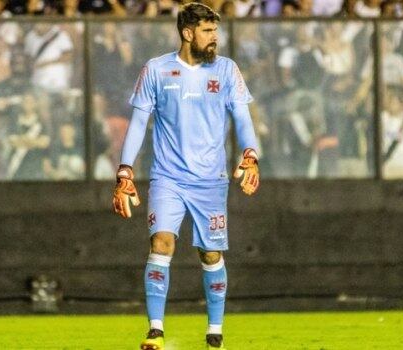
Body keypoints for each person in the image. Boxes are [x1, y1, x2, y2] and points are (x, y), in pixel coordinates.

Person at [112, 3, 259, 350]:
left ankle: (215, 331)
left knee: (210, 255)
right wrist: (125, 170)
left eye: (215, 32)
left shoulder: (226, 70)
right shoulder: (156, 70)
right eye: (208, 32)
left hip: (210, 180)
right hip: (168, 178)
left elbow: (242, 117)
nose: (214, 39)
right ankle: (155, 331)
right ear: (187, 33)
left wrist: (250, 154)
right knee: (161, 242)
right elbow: (137, 124)